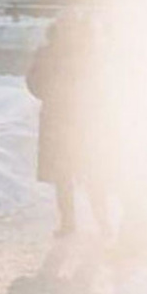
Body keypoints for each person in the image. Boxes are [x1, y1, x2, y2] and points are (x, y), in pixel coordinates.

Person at [26, 14, 112, 237]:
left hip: (80, 122)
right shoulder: (58, 54)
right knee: (67, 176)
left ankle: (100, 222)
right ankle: (74, 223)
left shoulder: (89, 55)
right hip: (68, 121)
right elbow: (34, 82)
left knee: (90, 175)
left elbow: (103, 86)